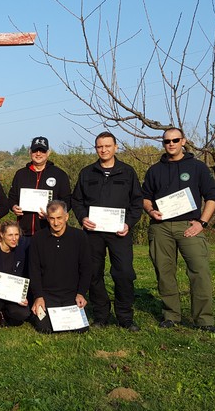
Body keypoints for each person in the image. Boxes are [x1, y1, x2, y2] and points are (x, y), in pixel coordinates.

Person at [142, 127, 215, 333]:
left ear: (183, 141)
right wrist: (151, 211)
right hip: (161, 227)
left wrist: (201, 223)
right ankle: (171, 315)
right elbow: (145, 197)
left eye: (175, 140)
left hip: (189, 226)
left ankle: (204, 320)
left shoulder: (197, 167)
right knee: (165, 272)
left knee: (199, 271)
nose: (171, 144)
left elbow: (212, 197)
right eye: (166, 141)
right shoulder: (154, 170)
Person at [71, 132, 143, 331]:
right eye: (99, 146)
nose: (103, 150)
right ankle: (101, 315)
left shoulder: (127, 172)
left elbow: (137, 202)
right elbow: (76, 200)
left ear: (115, 147)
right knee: (93, 274)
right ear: (96, 148)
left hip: (119, 233)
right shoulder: (87, 173)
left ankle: (125, 317)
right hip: (93, 234)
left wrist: (128, 223)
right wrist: (82, 217)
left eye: (107, 146)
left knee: (124, 273)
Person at [28, 200, 92, 334]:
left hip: (71, 295)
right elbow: (34, 270)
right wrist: (38, 296)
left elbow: (86, 268)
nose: (56, 223)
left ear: (66, 217)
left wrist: (81, 293)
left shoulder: (79, 237)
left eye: (59, 218)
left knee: (81, 328)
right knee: (44, 328)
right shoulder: (37, 239)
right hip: (47, 295)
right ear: (47, 218)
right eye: (51, 218)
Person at [8, 136, 71, 237]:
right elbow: (12, 197)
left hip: (49, 231)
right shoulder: (20, 174)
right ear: (30, 152)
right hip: (24, 232)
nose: (38, 154)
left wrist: (52, 213)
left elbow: (67, 201)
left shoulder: (59, 174)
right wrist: (14, 207)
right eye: (35, 150)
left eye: (42, 151)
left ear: (48, 153)